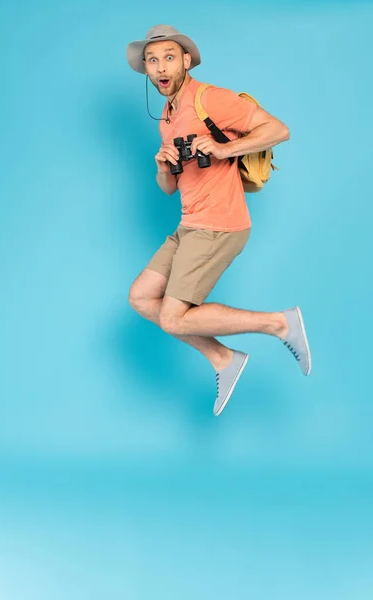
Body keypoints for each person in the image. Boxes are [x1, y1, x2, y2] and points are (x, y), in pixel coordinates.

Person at [126, 25, 311, 417]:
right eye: (153, 60)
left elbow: (279, 129)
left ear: (187, 61)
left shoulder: (210, 98)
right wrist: (161, 166)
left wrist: (227, 147)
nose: (161, 67)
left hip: (219, 224)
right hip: (189, 223)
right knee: (142, 298)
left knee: (174, 319)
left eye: (169, 57)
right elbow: (168, 190)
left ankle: (280, 323)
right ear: (146, 68)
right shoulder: (166, 117)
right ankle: (223, 359)